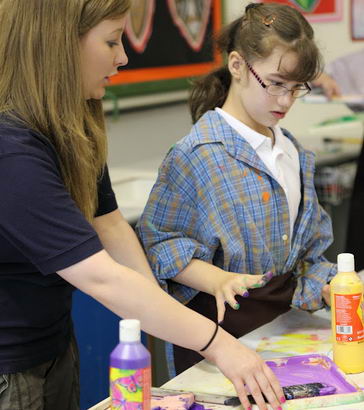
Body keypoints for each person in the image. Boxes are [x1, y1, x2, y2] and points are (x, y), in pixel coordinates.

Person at [0, 1, 286, 410]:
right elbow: (102, 278)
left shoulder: (69, 126)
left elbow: (110, 225)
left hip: (54, 345)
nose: (123, 57)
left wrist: (159, 310)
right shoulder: (11, 148)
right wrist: (218, 344)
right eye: (112, 41)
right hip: (10, 367)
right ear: (58, 44)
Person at [136, 2, 335, 378]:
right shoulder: (197, 155)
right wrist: (218, 279)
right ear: (238, 65)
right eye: (276, 84)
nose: (285, 101)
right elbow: (157, 244)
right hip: (216, 337)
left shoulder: (292, 151)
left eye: (297, 89)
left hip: (282, 332)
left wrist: (328, 286)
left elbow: (307, 253)